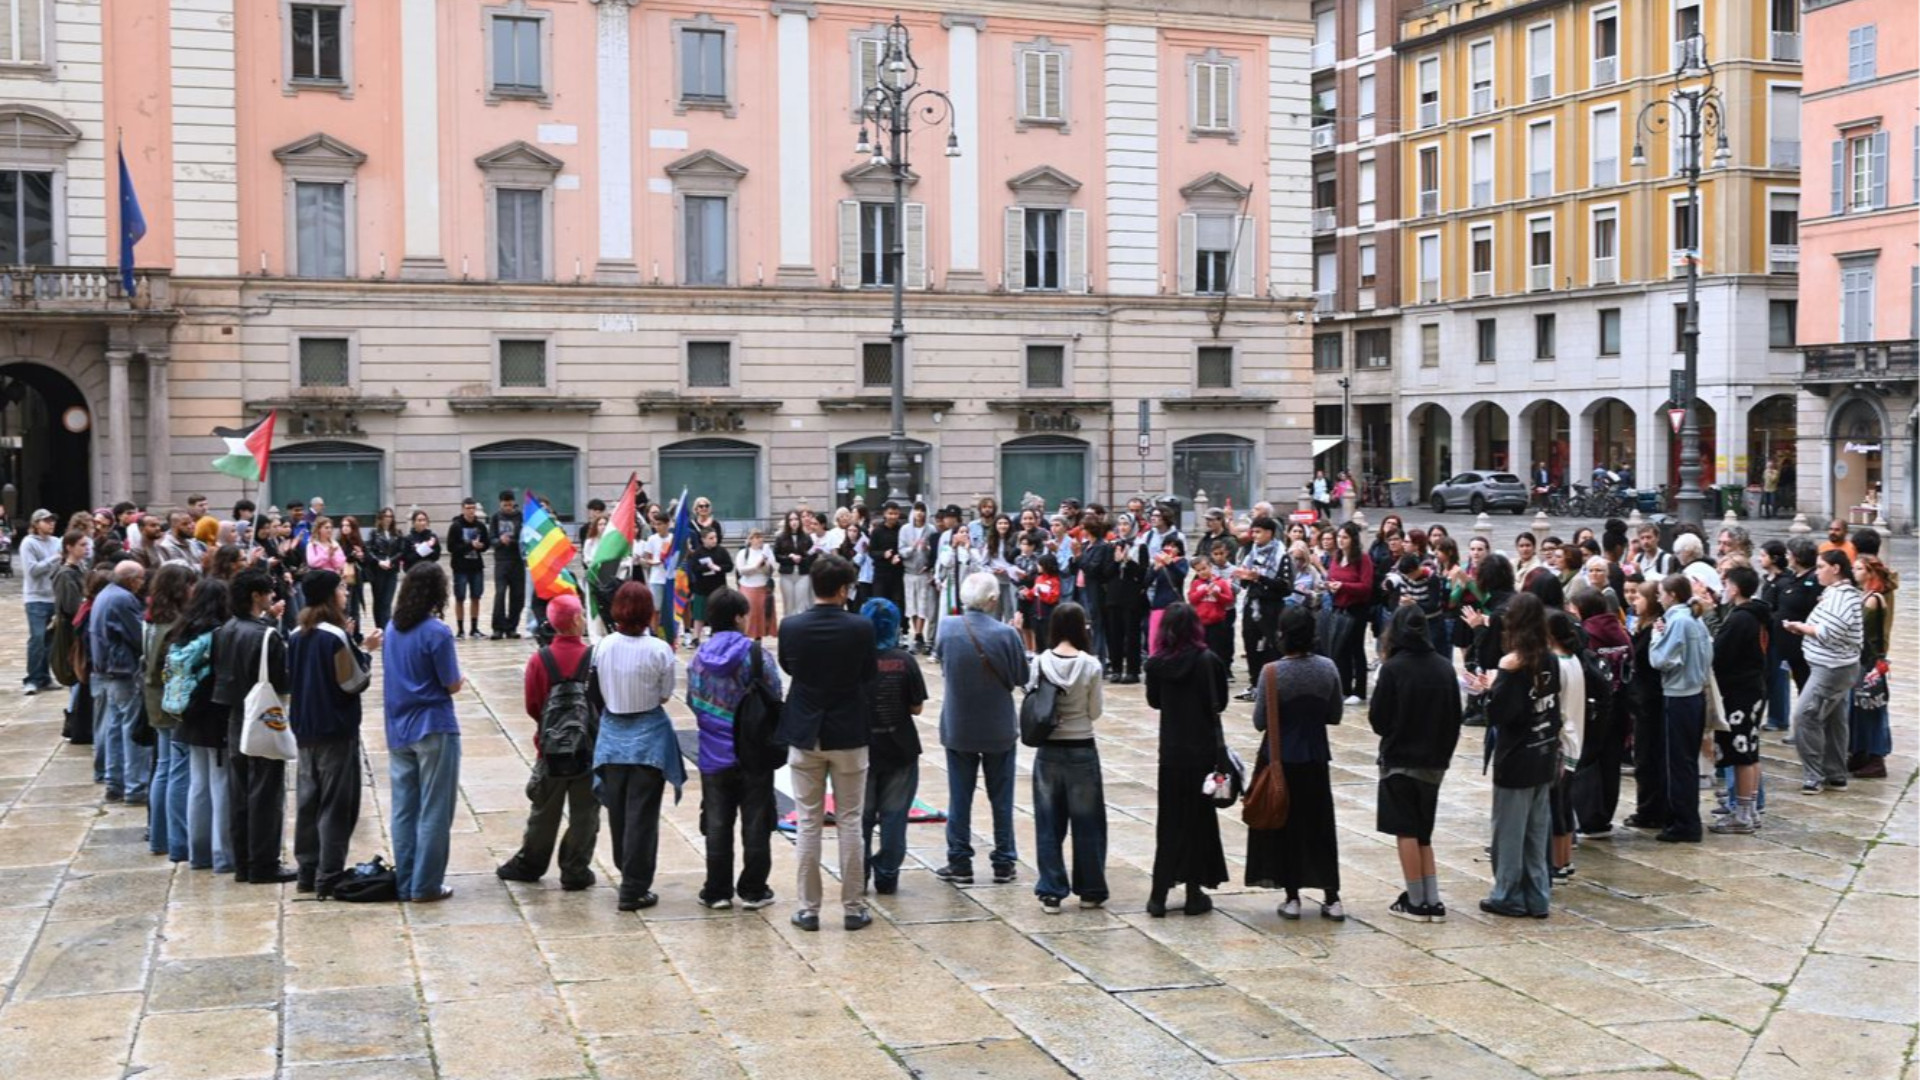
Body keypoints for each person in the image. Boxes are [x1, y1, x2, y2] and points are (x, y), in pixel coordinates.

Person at [776, 555, 879, 931]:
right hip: (849, 729)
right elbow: (869, 673)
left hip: (806, 729)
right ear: (841, 589)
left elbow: (789, 667)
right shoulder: (861, 627)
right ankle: (852, 907)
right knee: (850, 820)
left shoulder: (791, 627)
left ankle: (808, 908)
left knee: (808, 821)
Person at [684, 588, 783, 909]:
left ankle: (717, 891)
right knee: (756, 821)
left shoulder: (699, 658)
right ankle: (754, 890)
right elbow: (775, 695)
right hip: (753, 753)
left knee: (716, 822)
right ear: (740, 617)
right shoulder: (756, 655)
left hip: (714, 754)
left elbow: (693, 701)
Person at [1247, 604, 1346, 920]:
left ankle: (1292, 897)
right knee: (1320, 827)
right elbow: (1335, 715)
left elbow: (1260, 721)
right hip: (1316, 757)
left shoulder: (1272, 672)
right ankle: (1332, 896)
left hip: (1282, 759)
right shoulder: (1328, 668)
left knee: (1286, 827)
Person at [496, 593, 601, 891]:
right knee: (585, 811)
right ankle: (575, 868)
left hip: (551, 747)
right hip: (587, 747)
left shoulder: (539, 660)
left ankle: (531, 862)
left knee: (544, 808)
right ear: (578, 620)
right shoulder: (594, 657)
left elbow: (533, 705)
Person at [931, 571, 1028, 888]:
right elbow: (1020, 678)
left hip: (959, 723)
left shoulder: (947, 627)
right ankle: (1004, 861)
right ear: (992, 600)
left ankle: (959, 861)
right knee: (1002, 798)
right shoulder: (1006, 634)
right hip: (998, 725)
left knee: (960, 796)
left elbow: (942, 663)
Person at [590, 582, 682, 911]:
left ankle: (626, 870)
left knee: (618, 810)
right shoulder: (660, 650)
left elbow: (597, 689)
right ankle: (634, 886)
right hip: (648, 737)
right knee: (642, 814)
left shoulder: (602, 646)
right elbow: (665, 694)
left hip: (612, 736)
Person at [287, 570, 378, 895]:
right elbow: (353, 682)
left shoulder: (297, 633)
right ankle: (329, 874)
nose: (344, 591)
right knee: (337, 805)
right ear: (329, 595)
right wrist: (366, 651)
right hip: (335, 729)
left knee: (308, 803)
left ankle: (307, 872)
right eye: (340, 587)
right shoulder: (334, 636)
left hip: (305, 729)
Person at [1368, 605, 1460, 922]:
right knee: (1424, 833)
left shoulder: (1393, 669)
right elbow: (1455, 718)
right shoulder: (1445, 667)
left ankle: (1417, 902)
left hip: (1400, 760)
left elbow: (1378, 720)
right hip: (1434, 763)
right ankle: (1431, 899)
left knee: (1405, 830)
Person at [1470, 593, 1560, 918]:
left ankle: (1507, 894)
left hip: (1517, 758)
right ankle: (1538, 897)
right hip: (1543, 753)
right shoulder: (1549, 659)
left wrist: (1488, 689)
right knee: (1536, 834)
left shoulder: (1512, 664)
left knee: (1508, 833)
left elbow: (1502, 715)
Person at [382, 562, 465, 902]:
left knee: (404, 808)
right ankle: (426, 884)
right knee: (435, 808)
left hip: (398, 726)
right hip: (433, 725)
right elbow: (451, 683)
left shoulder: (391, 628)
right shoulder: (438, 632)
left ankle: (405, 881)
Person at [1145, 602, 1229, 916]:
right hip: (1203, 755)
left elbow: (1154, 701)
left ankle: (1158, 896)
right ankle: (1194, 893)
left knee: (1169, 824)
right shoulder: (1208, 661)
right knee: (1199, 822)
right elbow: (1219, 703)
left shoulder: (1156, 664)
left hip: (1171, 753)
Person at [211, 570, 295, 882]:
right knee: (266, 793)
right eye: (268, 592)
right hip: (260, 716)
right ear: (256, 596)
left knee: (240, 792)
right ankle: (263, 864)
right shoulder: (267, 636)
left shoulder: (225, 630)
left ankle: (244, 862)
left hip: (234, 716)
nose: (273, 596)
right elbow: (284, 683)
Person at [1028, 602, 1107, 914]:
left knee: (1048, 823)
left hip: (1049, 750)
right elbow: (1095, 712)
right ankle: (1090, 890)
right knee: (1088, 824)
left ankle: (1051, 891)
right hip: (1082, 747)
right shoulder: (1091, 665)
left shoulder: (1040, 662)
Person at [860, 597, 927, 897]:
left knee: (859, 819)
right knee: (894, 817)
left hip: (861, 748)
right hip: (899, 746)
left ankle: (856, 874)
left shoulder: (854, 660)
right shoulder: (905, 660)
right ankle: (887, 875)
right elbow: (916, 708)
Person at [1782, 552, 1864, 793]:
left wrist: (1801, 628)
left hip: (1832, 668)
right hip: (1835, 666)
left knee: (1805, 716)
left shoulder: (1842, 597)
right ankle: (1836, 774)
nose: (1816, 571)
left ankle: (1813, 776)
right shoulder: (1838, 594)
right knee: (1835, 719)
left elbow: (1831, 631)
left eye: (1821, 567)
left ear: (1836, 568)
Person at [169, 578, 233, 873]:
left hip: (188, 713)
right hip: (214, 714)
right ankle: (223, 855)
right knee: (220, 785)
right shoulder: (219, 634)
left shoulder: (183, 629)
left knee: (198, 784)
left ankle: (199, 853)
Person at [1648, 574, 1713, 842]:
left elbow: (1660, 659)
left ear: (1672, 595)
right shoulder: (1696, 619)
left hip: (1678, 695)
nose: (1658, 598)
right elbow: (1709, 654)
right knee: (1685, 760)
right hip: (1695, 694)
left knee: (1678, 763)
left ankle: (1684, 822)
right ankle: (1687, 818)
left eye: (1661, 593)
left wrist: (1655, 637)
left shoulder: (1678, 621)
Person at [1708, 566, 1770, 833]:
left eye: (1726, 584)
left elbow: (1719, 655)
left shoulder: (1740, 619)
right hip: (1754, 686)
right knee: (1750, 750)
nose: (1723, 589)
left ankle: (1743, 814)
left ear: (1734, 588)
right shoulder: (1758, 614)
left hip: (1740, 691)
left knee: (1741, 752)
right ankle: (1750, 809)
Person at [142, 563, 196, 861]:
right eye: (189, 586)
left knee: (164, 768)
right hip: (171, 705)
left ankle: (160, 837)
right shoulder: (174, 624)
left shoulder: (152, 617)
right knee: (176, 770)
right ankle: (178, 841)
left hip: (156, 702)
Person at [90, 560, 150, 803]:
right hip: (123, 671)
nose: (143, 584)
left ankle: (115, 783)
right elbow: (139, 636)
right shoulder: (123, 599)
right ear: (131, 579)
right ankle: (135, 787)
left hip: (110, 671)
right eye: (141, 579)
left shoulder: (106, 593)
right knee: (132, 730)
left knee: (116, 726)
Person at [1847, 557, 1897, 779]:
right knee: (1860, 708)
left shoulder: (1873, 600)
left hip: (1869, 662)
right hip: (1863, 660)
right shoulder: (1866, 596)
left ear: (1869, 573)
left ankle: (1876, 757)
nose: (1853, 572)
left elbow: (1861, 631)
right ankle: (1861, 752)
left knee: (1871, 707)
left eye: (1858, 569)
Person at [1233, 516, 1288, 702]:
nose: (1254, 536)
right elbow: (1243, 583)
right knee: (1250, 643)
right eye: (1253, 532)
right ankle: (1255, 682)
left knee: (1271, 645)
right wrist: (1243, 576)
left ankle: (1271, 684)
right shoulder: (1251, 552)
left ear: (1269, 533)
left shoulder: (1282, 554)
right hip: (1252, 604)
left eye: (1258, 532)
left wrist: (1260, 578)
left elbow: (1285, 586)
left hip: (1271, 606)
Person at [1326, 522, 1374, 705]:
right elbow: (1331, 576)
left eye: (1344, 537)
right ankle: (1344, 687)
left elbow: (1366, 586)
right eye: (1339, 537)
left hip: (1356, 609)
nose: (1340, 541)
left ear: (1353, 539)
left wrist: (1344, 586)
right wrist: (1331, 586)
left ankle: (1359, 690)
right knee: (1341, 649)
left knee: (1356, 649)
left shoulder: (1363, 559)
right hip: (1339, 607)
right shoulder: (1337, 557)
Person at [1100, 514, 1147, 685]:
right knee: (1114, 634)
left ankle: (1133, 670)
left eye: (1126, 524)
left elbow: (1143, 574)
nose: (1122, 527)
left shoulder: (1141, 546)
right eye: (1120, 524)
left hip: (1132, 596)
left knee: (1132, 634)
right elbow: (1105, 573)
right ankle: (1117, 668)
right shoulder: (1112, 546)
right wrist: (1116, 561)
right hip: (1113, 596)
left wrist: (1128, 561)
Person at [19, 508, 59, 694]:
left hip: (54, 597)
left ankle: (45, 677)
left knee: (49, 641)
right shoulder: (28, 543)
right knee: (37, 638)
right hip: (35, 598)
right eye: (46, 521)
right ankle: (32, 679)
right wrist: (54, 559)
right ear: (36, 524)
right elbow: (32, 570)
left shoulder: (57, 542)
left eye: (52, 520)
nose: (51, 523)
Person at [446, 497, 489, 638]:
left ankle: (474, 628)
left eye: (472, 508)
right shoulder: (456, 526)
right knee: (460, 597)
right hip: (460, 567)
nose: (471, 511)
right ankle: (460, 629)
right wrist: (470, 545)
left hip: (476, 566)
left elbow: (487, 543)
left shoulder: (480, 526)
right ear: (463, 509)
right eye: (468, 508)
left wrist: (482, 546)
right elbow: (451, 547)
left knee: (476, 596)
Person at [488, 491, 526, 640]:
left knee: (517, 595)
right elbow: (491, 538)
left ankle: (512, 627)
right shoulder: (495, 518)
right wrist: (499, 541)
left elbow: (525, 539)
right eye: (505, 505)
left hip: (517, 560)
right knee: (500, 594)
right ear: (500, 504)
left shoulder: (520, 517)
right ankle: (498, 627)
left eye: (510, 505)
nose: (508, 508)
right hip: (501, 561)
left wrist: (513, 541)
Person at [686, 526, 733, 644]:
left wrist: (719, 568)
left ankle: (716, 634)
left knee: (718, 613)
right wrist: (706, 567)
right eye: (711, 538)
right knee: (699, 614)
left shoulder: (721, 551)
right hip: (702, 588)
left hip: (718, 588)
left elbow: (729, 566)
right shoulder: (698, 552)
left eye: (715, 537)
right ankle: (696, 637)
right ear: (703, 539)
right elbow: (694, 567)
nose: (714, 540)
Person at [900, 504, 936, 655]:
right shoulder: (905, 530)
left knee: (922, 604)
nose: (920, 513)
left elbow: (934, 552)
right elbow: (901, 551)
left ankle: (919, 635)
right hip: (909, 572)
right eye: (917, 510)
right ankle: (918, 634)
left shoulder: (931, 530)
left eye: (922, 510)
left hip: (923, 572)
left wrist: (927, 550)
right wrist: (913, 547)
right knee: (912, 605)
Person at [365, 508, 406, 630]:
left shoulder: (397, 533)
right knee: (378, 600)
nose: (388, 519)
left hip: (391, 569)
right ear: (381, 518)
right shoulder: (374, 533)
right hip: (377, 570)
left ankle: (387, 627)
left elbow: (401, 551)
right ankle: (380, 627)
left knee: (387, 601)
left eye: (390, 516)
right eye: (385, 516)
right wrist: (379, 561)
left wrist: (391, 560)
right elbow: (369, 550)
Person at [773, 510, 813, 629]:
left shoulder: (806, 537)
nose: (794, 522)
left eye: (796, 519)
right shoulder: (781, 537)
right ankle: (788, 630)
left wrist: (802, 558)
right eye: (791, 520)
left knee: (802, 604)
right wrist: (789, 557)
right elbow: (776, 556)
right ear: (787, 522)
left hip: (803, 573)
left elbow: (811, 555)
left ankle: (801, 630)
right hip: (787, 574)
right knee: (789, 605)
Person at [735, 529, 776, 642]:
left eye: (761, 537)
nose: (759, 540)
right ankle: (745, 639)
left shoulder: (767, 552)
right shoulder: (743, 553)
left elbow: (771, 570)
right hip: (747, 587)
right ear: (750, 540)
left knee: (761, 616)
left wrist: (765, 564)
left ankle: (759, 641)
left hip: (763, 588)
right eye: (756, 537)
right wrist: (755, 567)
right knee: (749, 615)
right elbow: (741, 570)